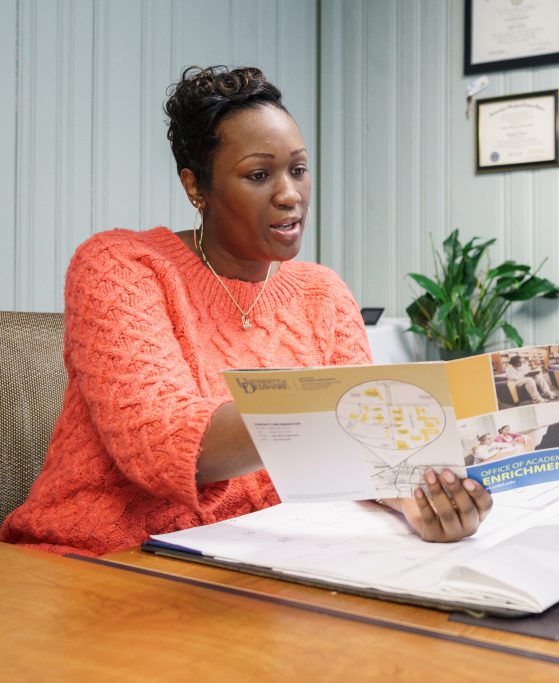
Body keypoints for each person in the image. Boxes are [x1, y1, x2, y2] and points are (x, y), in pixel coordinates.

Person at [0, 66, 491, 556]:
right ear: (196, 188)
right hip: (100, 558)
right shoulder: (120, 266)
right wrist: (341, 414)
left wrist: (417, 501)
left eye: (298, 169)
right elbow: (163, 444)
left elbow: (363, 456)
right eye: (259, 175)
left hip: (256, 557)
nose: (290, 194)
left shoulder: (323, 292)